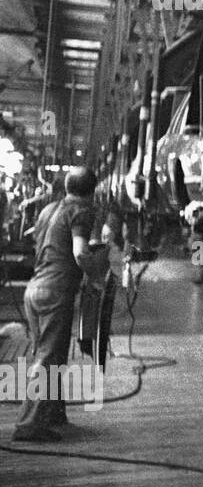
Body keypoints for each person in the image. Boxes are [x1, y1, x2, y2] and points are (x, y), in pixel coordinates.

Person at [14, 166, 105, 441]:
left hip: (34, 289)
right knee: (48, 357)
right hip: (55, 291)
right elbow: (79, 253)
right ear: (92, 192)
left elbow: (43, 241)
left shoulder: (48, 209)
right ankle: (29, 424)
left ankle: (52, 413)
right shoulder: (82, 211)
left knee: (48, 353)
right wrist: (97, 274)